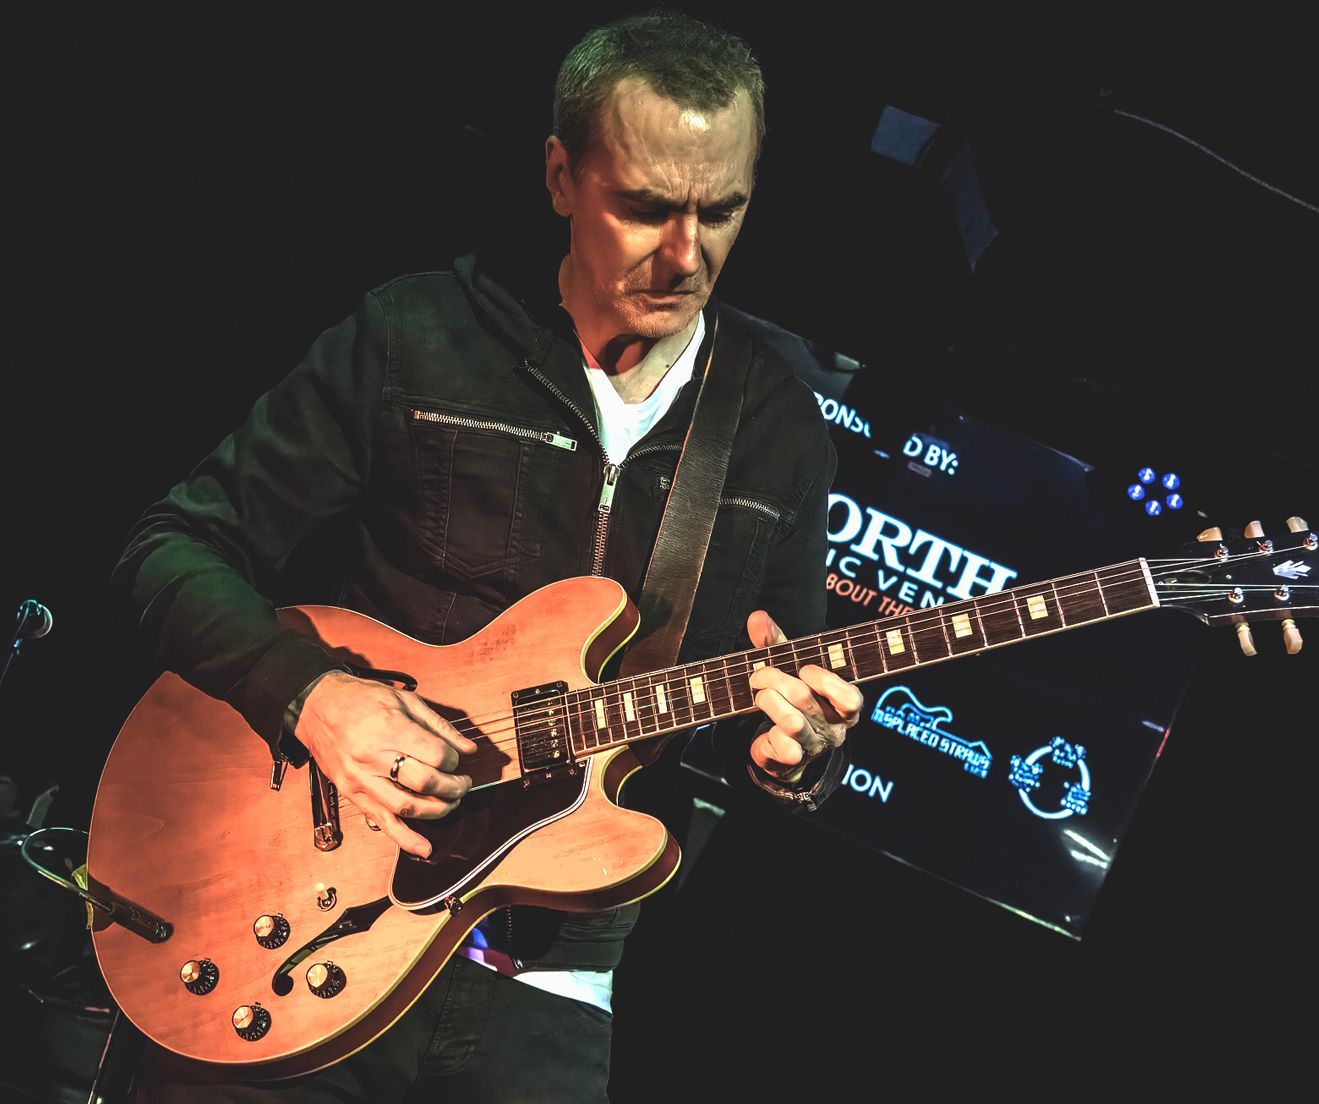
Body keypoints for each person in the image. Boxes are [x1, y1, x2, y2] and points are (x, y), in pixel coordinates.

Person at [113, 10, 863, 1101]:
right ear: (561, 176)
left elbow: (780, 698)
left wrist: (799, 759)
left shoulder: (778, 432)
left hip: (546, 990)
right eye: (644, 207)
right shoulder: (419, 334)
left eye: (721, 211)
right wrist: (317, 698)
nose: (683, 255)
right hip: (301, 916)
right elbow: (170, 548)